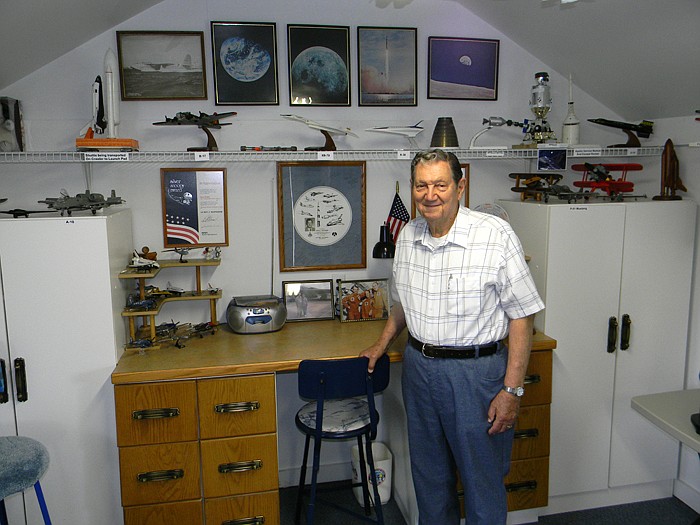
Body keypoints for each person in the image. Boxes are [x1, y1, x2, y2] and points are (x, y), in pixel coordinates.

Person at [360, 149, 544, 525]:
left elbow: (523, 315)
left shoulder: (493, 235)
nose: (431, 194)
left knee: (482, 482)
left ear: (460, 187)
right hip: (419, 370)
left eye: (440, 184)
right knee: (429, 480)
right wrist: (381, 346)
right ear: (412, 189)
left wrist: (512, 391)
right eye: (422, 185)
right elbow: (402, 304)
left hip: (475, 376)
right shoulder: (408, 236)